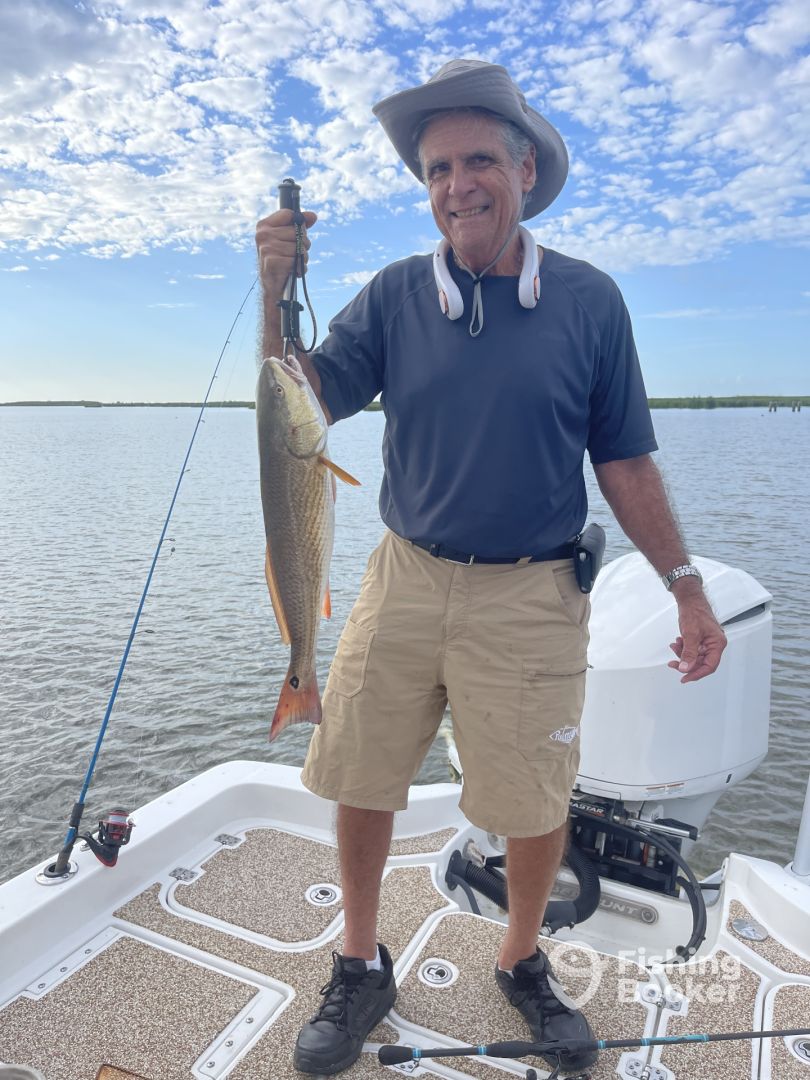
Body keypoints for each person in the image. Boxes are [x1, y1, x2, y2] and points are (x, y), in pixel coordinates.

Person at [256, 59, 728, 1077]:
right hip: (404, 574)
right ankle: (357, 962)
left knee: (532, 799)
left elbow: (626, 460)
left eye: (477, 162)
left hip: (532, 589)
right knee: (362, 773)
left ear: (524, 170)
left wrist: (687, 587)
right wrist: (271, 293)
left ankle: (520, 961)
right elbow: (299, 401)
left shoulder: (590, 301)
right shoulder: (394, 295)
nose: (457, 185)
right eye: (437, 170)